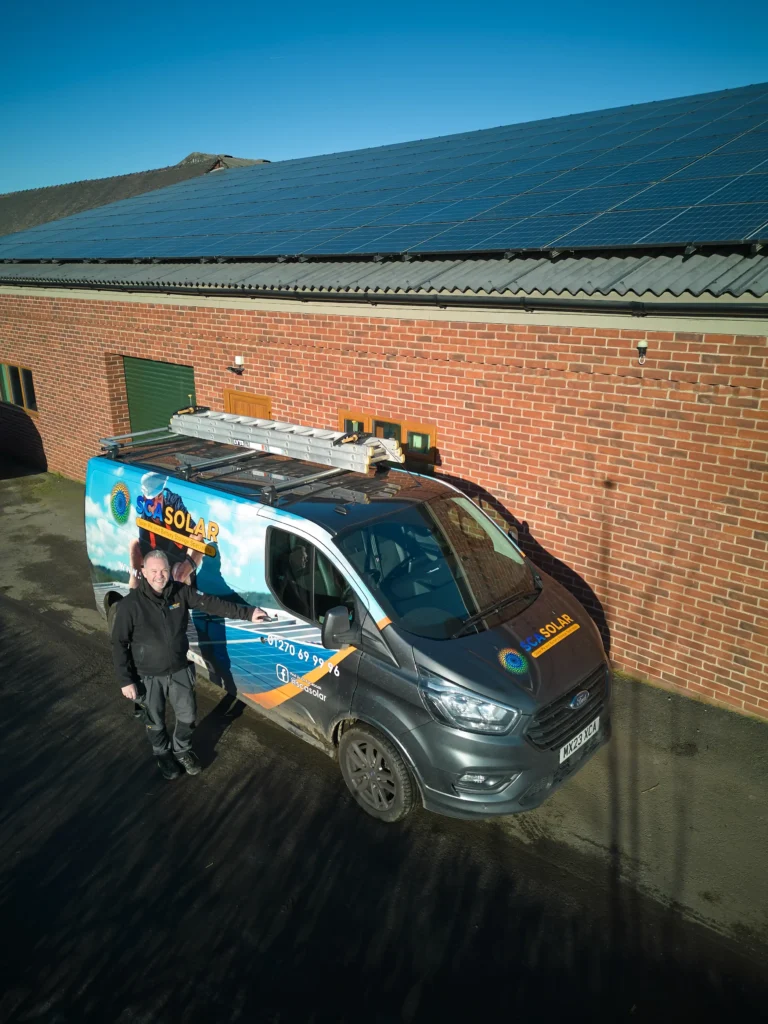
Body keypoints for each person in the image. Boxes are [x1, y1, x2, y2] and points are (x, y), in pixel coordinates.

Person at [112, 548, 268, 779]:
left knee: (188, 717)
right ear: (143, 572)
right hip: (147, 676)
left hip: (179, 670)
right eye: (153, 570)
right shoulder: (130, 605)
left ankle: (181, 748)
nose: (159, 575)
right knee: (154, 721)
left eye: (164, 570)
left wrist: (248, 612)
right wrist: (126, 681)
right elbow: (118, 643)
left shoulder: (180, 592)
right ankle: (162, 753)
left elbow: (213, 604)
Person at [128, 472, 203, 590]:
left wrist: (186, 566)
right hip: (159, 560)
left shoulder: (174, 503)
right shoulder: (145, 519)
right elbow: (145, 551)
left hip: (178, 558)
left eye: (159, 497)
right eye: (152, 500)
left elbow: (197, 534)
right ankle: (133, 593)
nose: (157, 504)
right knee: (134, 545)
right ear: (145, 500)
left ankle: (185, 596)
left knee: (179, 571)